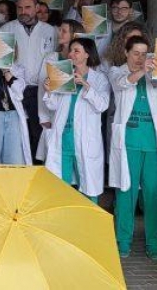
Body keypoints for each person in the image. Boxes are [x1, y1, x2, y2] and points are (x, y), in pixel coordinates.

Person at [109, 36, 157, 261]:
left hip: (155, 144)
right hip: (127, 143)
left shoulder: (154, 71)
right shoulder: (116, 71)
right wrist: (141, 71)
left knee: (154, 194)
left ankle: (153, 244)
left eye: (144, 53)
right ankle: (123, 241)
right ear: (126, 53)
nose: (140, 58)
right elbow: (124, 83)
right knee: (125, 193)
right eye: (136, 53)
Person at [42, 38, 109, 202]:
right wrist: (49, 90)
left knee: (89, 187)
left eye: (76, 51)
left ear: (87, 54)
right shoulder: (63, 75)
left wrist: (86, 85)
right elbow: (52, 105)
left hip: (86, 140)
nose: (71, 54)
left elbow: (102, 105)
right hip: (64, 138)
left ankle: (90, 222)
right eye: (70, 50)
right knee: (60, 187)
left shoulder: (99, 79)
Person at [0, 0, 57, 164]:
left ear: (37, 7)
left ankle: (38, 171)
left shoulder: (51, 30)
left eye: (27, 7)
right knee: (16, 133)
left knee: (38, 132)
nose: (23, 11)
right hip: (14, 88)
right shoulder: (6, 30)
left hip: (40, 89)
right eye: (19, 8)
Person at [38, 20, 85, 160]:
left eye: (64, 31)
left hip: (77, 116)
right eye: (60, 30)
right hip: (54, 113)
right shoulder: (51, 57)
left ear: (74, 35)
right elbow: (42, 89)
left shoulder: (84, 61)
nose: (59, 33)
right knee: (55, 158)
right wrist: (44, 117)